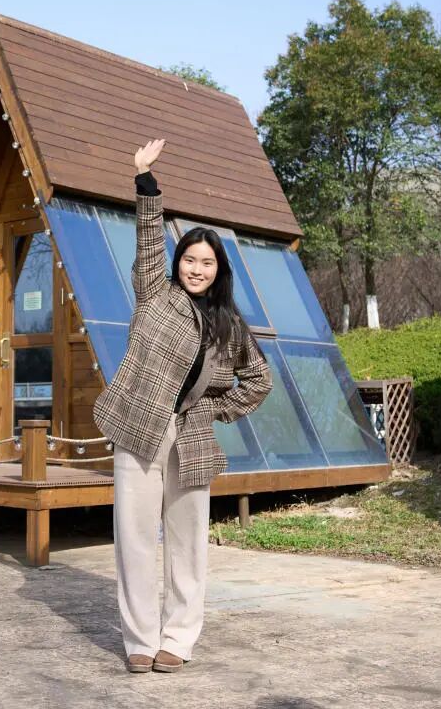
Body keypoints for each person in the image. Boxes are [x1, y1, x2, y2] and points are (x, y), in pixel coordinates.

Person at [93, 138, 273, 674]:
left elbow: (259, 380)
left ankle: (179, 636)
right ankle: (140, 640)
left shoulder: (229, 325)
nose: (196, 269)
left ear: (219, 270)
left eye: (206, 262)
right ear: (178, 263)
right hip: (138, 428)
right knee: (135, 538)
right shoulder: (155, 291)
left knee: (188, 541)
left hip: (191, 436)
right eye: (190, 260)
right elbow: (148, 238)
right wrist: (145, 182)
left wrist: (216, 410)